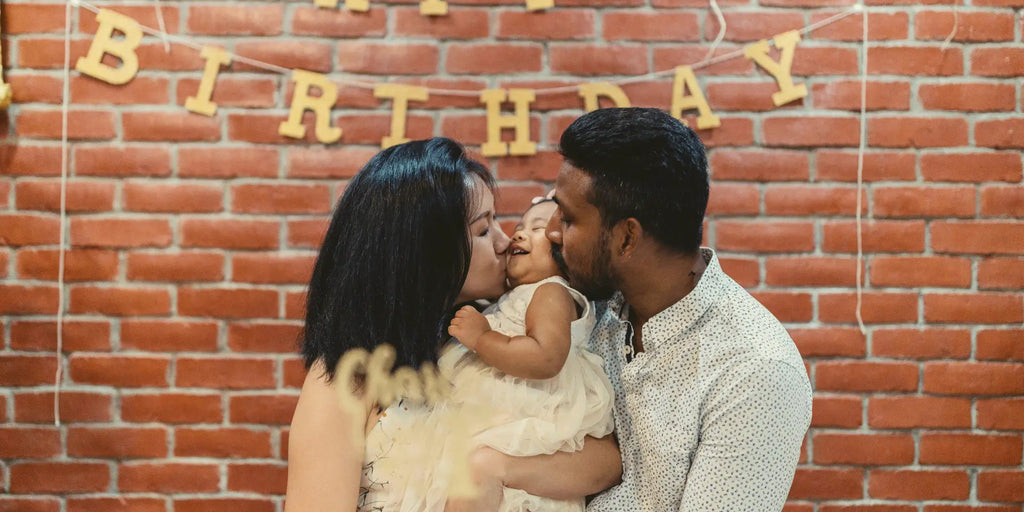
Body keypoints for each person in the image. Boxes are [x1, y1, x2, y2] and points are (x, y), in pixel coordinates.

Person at [467, 108, 813, 511]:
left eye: (570, 218)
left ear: (627, 237)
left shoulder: (754, 370)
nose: (555, 232)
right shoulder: (584, 303)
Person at [284, 137, 621, 512]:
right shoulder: (345, 377)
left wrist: (496, 466)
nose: (503, 242)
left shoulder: (500, 334)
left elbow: (605, 460)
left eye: (496, 222)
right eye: (481, 230)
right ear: (425, 252)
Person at [431, 198, 616, 511]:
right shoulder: (510, 298)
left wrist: (483, 338)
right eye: (519, 227)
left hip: (535, 417)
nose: (517, 235)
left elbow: (545, 358)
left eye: (538, 228)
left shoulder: (550, 292)